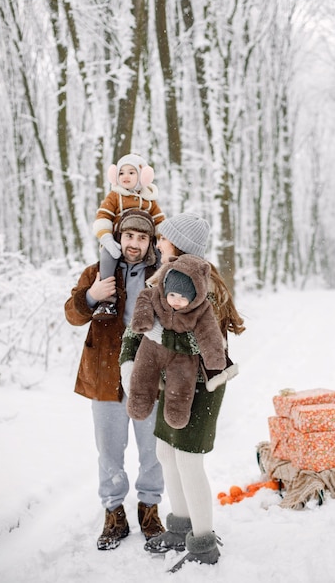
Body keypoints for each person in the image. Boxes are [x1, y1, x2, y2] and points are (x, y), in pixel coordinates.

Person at [119, 213, 245, 572]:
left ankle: (203, 543)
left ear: (179, 244)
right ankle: (181, 526)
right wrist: (129, 360)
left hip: (202, 386)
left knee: (189, 460)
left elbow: (208, 342)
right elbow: (138, 327)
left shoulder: (208, 285)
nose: (157, 243)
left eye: (163, 238)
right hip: (170, 383)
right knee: (164, 451)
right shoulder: (164, 277)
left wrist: (159, 336)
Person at [64, 209, 165, 551]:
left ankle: (150, 510)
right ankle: (114, 515)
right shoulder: (98, 271)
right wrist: (91, 295)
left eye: (142, 237)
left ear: (150, 242)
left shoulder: (161, 273)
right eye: (129, 236)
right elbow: (72, 313)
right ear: (118, 237)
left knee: (153, 450)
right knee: (109, 450)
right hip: (106, 374)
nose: (134, 244)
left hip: (149, 375)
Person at [127, 254, 227, 430]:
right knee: (142, 375)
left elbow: (209, 333)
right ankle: (139, 401)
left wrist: (214, 357)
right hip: (151, 349)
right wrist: (143, 319)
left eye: (183, 297)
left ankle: (177, 411)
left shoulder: (202, 309)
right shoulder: (157, 295)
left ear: (195, 295)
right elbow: (144, 298)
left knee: (180, 386)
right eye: (172, 294)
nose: (176, 301)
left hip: (182, 357)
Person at [92, 153, 164, 320]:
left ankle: (160, 292)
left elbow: (160, 221)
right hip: (115, 242)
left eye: (131, 172)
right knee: (107, 255)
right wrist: (106, 238)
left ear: (142, 176)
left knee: (160, 257)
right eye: (121, 172)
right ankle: (107, 300)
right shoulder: (115, 196)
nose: (125, 176)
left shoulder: (149, 200)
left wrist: (163, 239)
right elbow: (103, 217)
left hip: (148, 249)